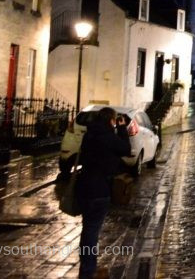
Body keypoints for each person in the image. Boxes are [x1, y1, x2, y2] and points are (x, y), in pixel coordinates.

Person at [76, 107, 130, 278]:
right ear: (111, 121)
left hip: (84, 186)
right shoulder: (109, 137)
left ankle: (88, 266)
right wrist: (122, 129)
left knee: (88, 229)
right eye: (115, 120)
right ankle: (88, 270)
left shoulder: (89, 135)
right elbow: (125, 149)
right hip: (100, 189)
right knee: (92, 231)